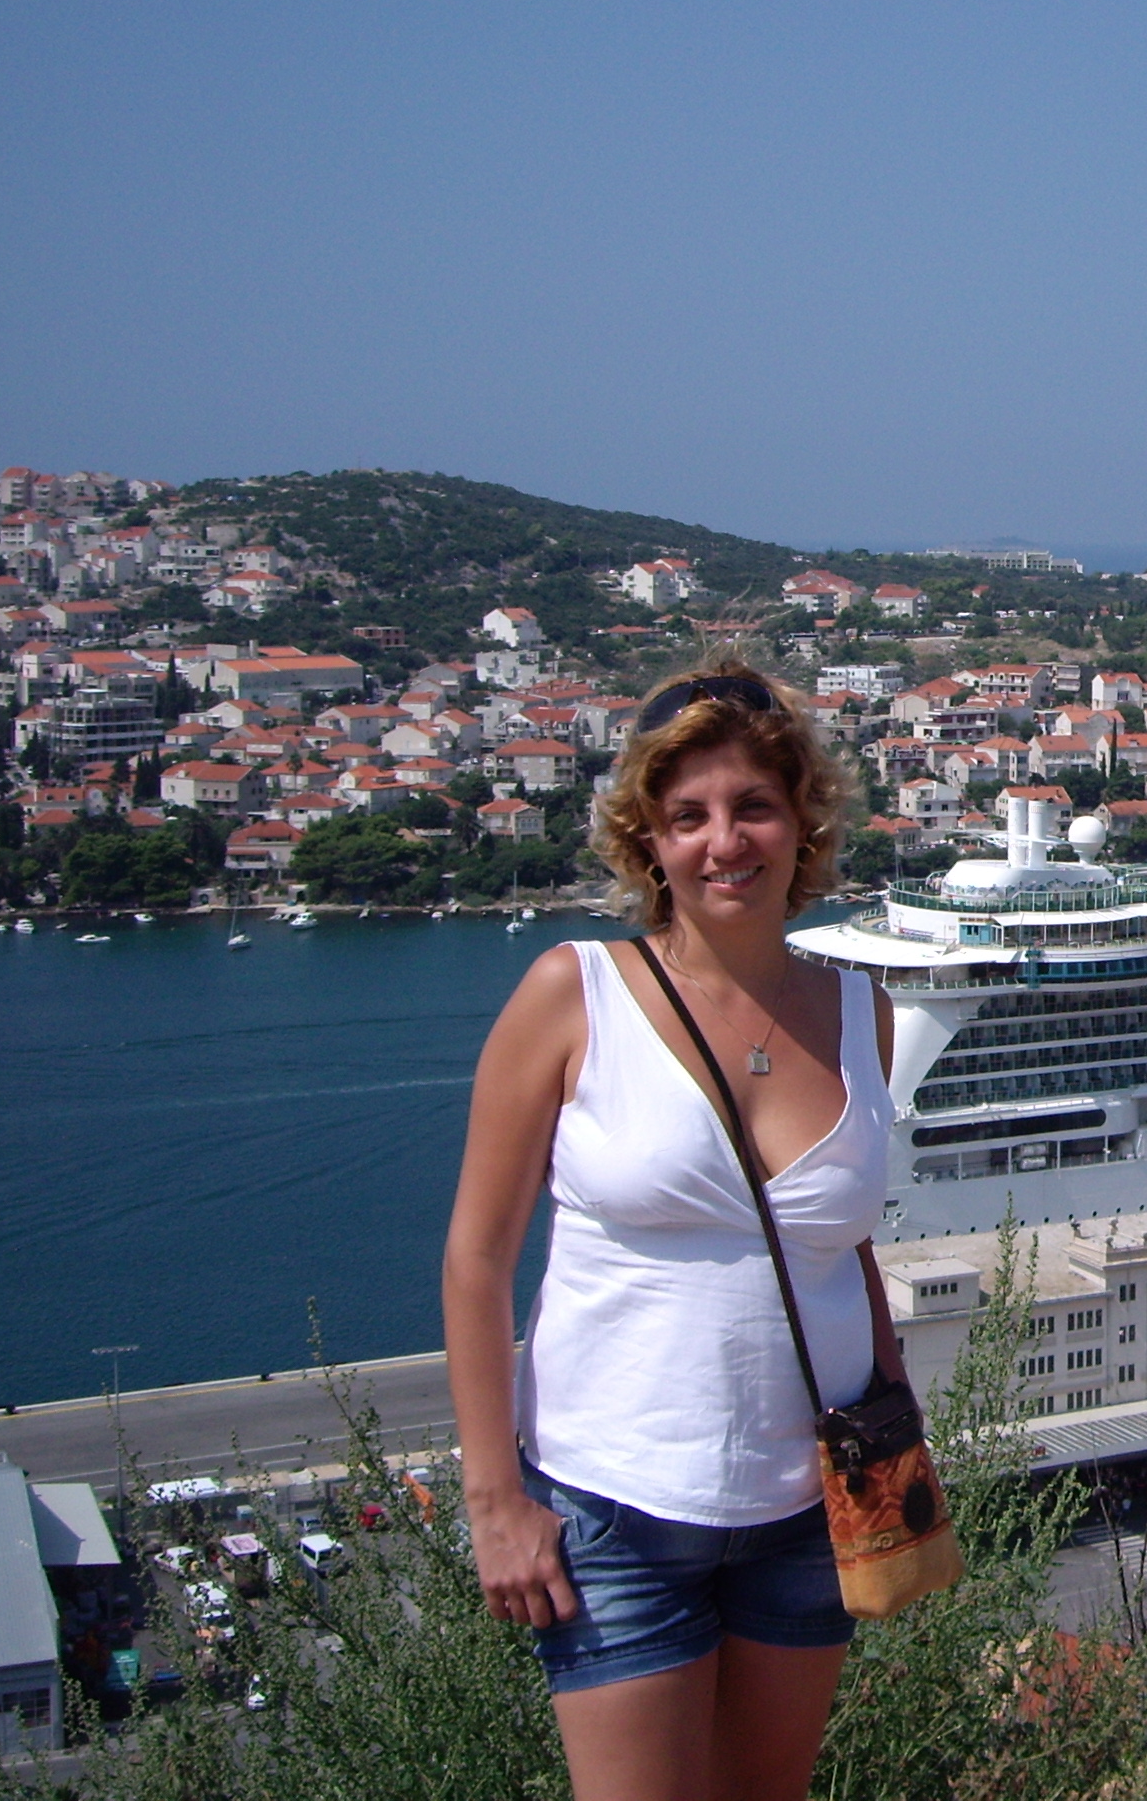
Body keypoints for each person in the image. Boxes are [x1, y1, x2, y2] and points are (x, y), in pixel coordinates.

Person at [443, 660, 897, 1801]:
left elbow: (842, 1243)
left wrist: (894, 1432)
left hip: (809, 1506)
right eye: (686, 816)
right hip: (615, 1509)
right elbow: (476, 1259)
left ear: (804, 822)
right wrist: (494, 1502)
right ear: (646, 840)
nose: (722, 842)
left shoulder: (864, 1013)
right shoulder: (572, 994)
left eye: (753, 807)